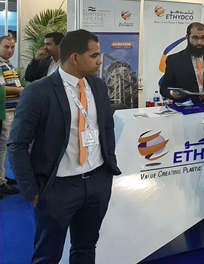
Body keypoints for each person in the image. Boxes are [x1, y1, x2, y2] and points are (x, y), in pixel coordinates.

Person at [8, 29, 121, 263]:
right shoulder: (38, 92)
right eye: (94, 55)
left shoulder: (98, 86)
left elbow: (106, 128)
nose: (100, 61)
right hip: (57, 188)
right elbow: (17, 145)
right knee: (47, 256)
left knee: (85, 249)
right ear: (75, 58)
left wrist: (107, 172)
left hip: (96, 183)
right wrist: (31, 191)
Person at [160, 22, 204, 102]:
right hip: (184, 107)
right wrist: (172, 93)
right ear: (187, 37)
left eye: (203, 38)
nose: (199, 42)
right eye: (195, 38)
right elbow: (164, 88)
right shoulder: (174, 60)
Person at [0, 35, 23, 197]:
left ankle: (2, 176)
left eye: (12, 47)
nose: (10, 50)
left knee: (6, 146)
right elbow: (1, 89)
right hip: (4, 112)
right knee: (2, 146)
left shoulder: (8, 64)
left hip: (12, 111)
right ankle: (1, 182)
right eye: (6, 47)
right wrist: (21, 91)